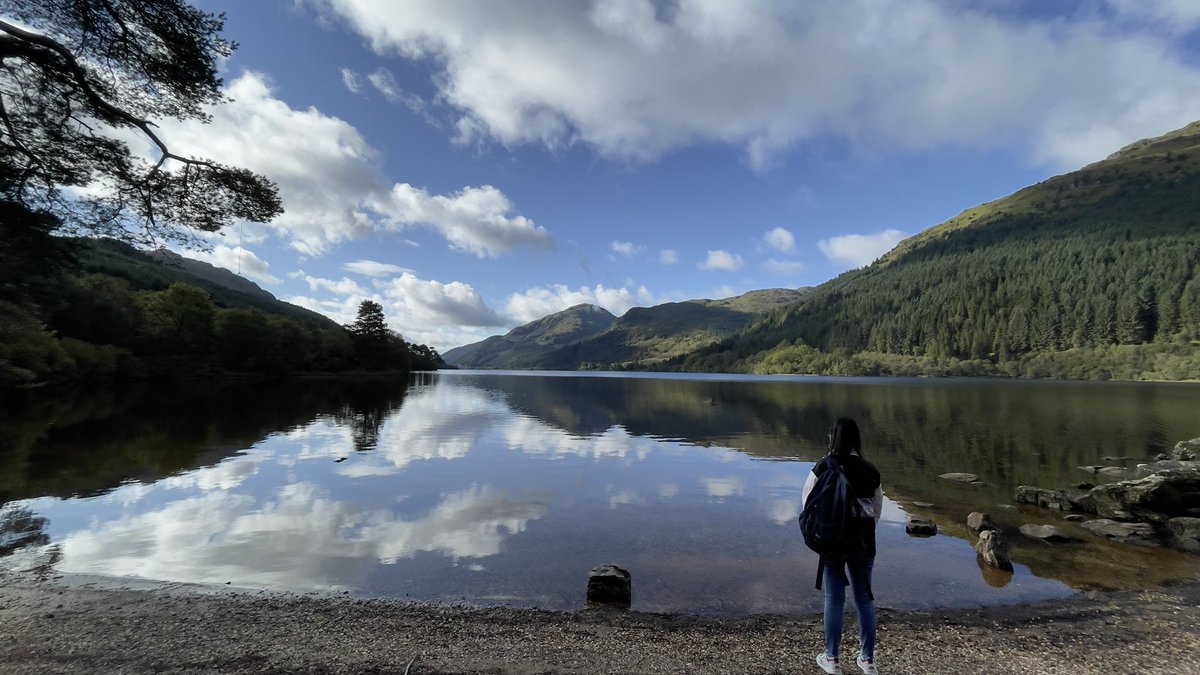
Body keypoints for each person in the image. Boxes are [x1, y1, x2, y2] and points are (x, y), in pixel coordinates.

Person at [802, 418, 883, 675]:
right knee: (864, 598)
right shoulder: (870, 470)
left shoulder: (823, 467)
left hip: (833, 543)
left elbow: (807, 501)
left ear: (833, 438)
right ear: (856, 439)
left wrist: (821, 531)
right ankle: (868, 660)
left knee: (833, 599)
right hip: (862, 543)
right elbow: (877, 510)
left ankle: (832, 659)